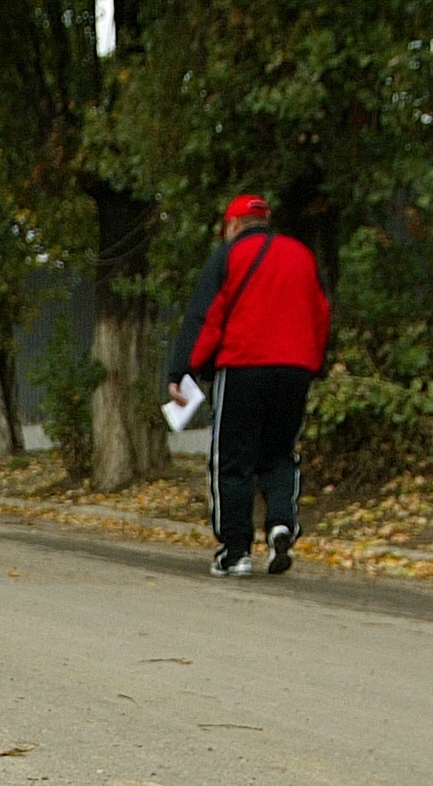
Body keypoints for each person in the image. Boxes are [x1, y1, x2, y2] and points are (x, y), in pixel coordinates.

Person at [166, 194, 331, 578]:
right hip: (295, 370)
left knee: (232, 460)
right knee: (279, 453)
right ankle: (281, 525)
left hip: (243, 367)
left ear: (234, 225)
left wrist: (183, 371)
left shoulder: (228, 257)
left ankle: (235, 550)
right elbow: (321, 312)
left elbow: (204, 316)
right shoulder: (302, 255)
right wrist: (314, 364)